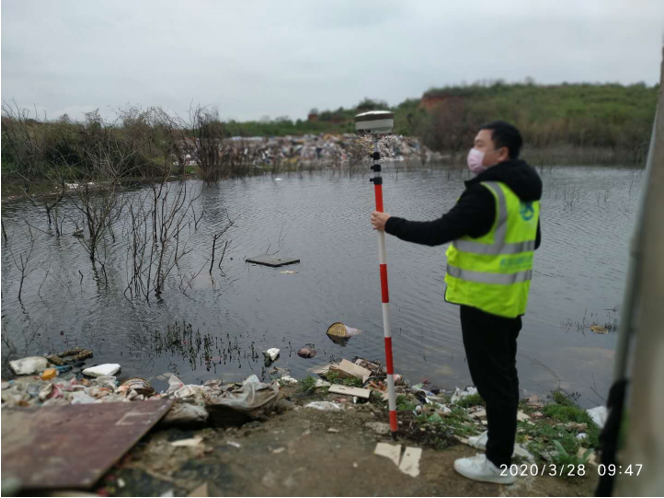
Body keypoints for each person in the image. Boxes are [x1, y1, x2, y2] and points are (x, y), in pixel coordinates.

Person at [370, 121, 542, 484]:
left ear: (502, 153)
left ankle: (497, 464)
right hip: (511, 299)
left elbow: (437, 232)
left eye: (480, 144)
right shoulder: (524, 191)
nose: (473, 151)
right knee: (504, 374)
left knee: (492, 381)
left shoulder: (487, 193)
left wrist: (390, 223)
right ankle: (500, 438)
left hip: (484, 303)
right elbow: (534, 240)